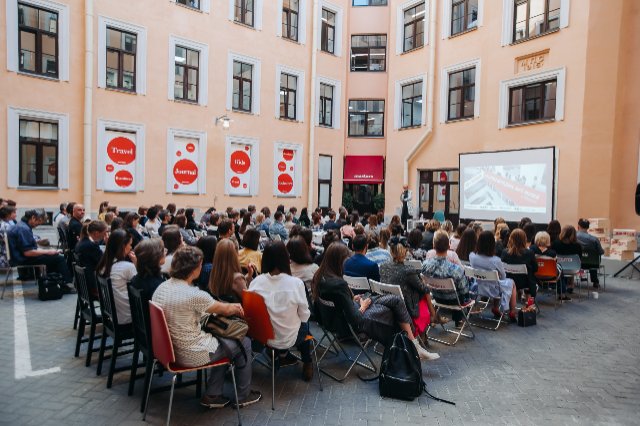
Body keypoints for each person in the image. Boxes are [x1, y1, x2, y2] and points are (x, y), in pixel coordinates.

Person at [152, 246, 261, 408]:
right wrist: (237, 307)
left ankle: (213, 394)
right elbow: (226, 308)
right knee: (243, 342)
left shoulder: (162, 287)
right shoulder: (194, 294)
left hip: (169, 351)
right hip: (191, 354)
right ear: (194, 269)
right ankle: (243, 395)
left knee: (224, 342)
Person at [312, 243, 438, 360]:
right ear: (338, 261)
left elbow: (325, 306)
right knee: (392, 309)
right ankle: (412, 346)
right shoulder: (338, 284)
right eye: (345, 260)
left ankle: (411, 345)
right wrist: (363, 305)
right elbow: (356, 319)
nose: (347, 262)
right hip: (352, 321)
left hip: (334, 320)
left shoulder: (319, 277)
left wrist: (351, 300)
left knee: (395, 301)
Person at [249, 242, 314, 380]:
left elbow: (251, 314)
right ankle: (307, 361)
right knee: (305, 325)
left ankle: (280, 355)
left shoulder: (256, 282)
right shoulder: (296, 283)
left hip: (264, 338)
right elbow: (304, 316)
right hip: (290, 337)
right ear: (286, 258)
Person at [381, 237, 443, 334]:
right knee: (425, 291)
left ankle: (434, 317)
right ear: (405, 252)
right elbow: (423, 289)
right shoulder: (408, 271)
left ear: (391, 252)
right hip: (406, 307)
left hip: (386, 303)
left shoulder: (383, 266)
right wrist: (424, 283)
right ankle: (433, 316)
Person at [7, 209, 73, 291]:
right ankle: (67, 284)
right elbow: (28, 252)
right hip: (21, 259)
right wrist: (48, 251)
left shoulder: (22, 226)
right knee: (59, 259)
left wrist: (45, 250)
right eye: (39, 221)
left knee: (53, 256)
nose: (38, 224)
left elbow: (29, 247)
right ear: (33, 218)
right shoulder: (23, 229)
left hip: (19, 256)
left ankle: (54, 282)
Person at [421, 231, 471, 328]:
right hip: (454, 301)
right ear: (449, 246)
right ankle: (458, 321)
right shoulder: (455, 269)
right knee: (460, 292)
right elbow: (464, 290)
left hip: (435, 298)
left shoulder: (425, 265)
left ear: (434, 245)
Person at [469, 231, 518, 322]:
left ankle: (496, 308)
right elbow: (503, 276)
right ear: (492, 244)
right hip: (494, 291)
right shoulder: (496, 260)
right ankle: (512, 311)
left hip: (477, 288)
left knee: (495, 282)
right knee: (511, 282)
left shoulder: (472, 257)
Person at [96, 229, 137, 324]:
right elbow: (139, 287)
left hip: (112, 313)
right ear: (123, 246)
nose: (131, 248)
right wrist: (136, 264)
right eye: (130, 244)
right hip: (127, 316)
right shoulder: (127, 267)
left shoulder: (104, 264)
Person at [209, 239, 255, 303]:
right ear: (235, 254)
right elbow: (248, 301)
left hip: (224, 310)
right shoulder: (237, 279)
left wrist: (249, 276)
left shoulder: (215, 273)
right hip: (239, 311)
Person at [501, 229, 538, 300]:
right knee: (531, 276)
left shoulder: (505, 252)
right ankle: (529, 305)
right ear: (524, 239)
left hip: (509, 281)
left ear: (511, 239)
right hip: (525, 283)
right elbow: (535, 268)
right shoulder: (529, 253)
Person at [576, 218, 604, 288]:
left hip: (576, 263)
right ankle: (595, 281)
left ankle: (569, 282)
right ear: (588, 227)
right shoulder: (594, 239)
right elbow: (601, 252)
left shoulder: (573, 237)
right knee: (592, 260)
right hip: (592, 264)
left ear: (578, 226)